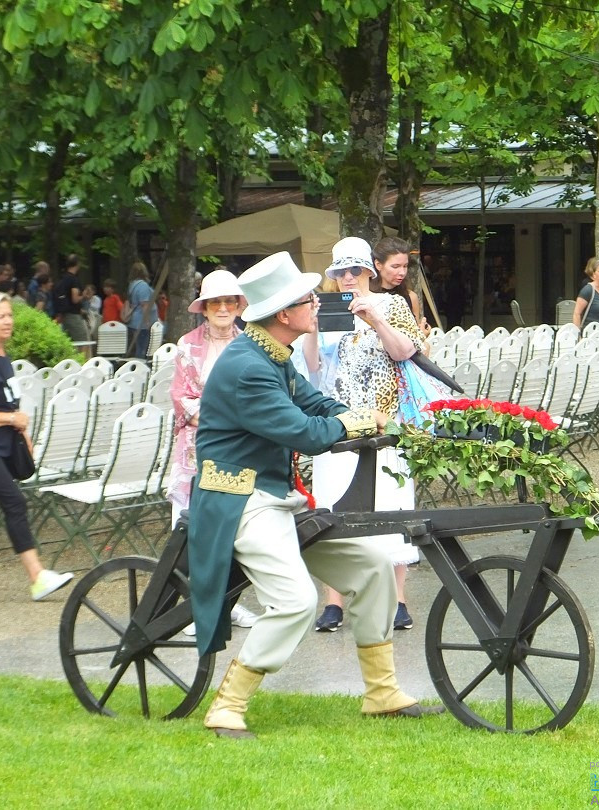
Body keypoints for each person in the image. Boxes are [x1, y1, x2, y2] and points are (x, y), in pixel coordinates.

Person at [188, 250, 442, 738]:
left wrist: (364, 416)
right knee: (295, 601)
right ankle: (227, 706)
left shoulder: (271, 356)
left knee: (371, 569)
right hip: (239, 499)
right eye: (308, 299)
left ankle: (382, 692)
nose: (316, 304)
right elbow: (302, 431)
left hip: (276, 497)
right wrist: (355, 419)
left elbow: (318, 403)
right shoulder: (249, 367)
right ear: (284, 315)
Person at [297, 237, 439, 633]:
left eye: (354, 270)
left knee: (391, 506)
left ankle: (397, 601)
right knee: (333, 507)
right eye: (339, 272)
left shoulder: (392, 304)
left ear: (369, 273)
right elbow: (311, 368)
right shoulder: (325, 309)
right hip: (339, 422)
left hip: (384, 421)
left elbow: (406, 352)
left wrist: (374, 318)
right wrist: (313, 325)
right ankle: (334, 602)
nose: (346, 278)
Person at [168, 269, 258, 636]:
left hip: (239, 450)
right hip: (197, 452)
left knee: (235, 528)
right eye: (215, 302)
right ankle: (192, 608)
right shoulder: (187, 346)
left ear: (239, 306)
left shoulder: (250, 342)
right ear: (204, 308)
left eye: (229, 301)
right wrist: (223, 414)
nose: (223, 308)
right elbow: (181, 398)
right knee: (195, 532)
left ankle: (230, 604)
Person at [0, 290, 74, 602]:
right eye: (1, 317)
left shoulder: (1, 356)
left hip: (2, 446)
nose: (8, 322)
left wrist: (21, 432)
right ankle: (37, 577)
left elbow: (9, 401)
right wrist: (11, 419)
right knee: (14, 503)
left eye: (9, 316)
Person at [369, 236, 430, 338]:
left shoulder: (411, 297)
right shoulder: (366, 296)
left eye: (405, 266)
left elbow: (415, 336)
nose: (402, 272)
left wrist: (422, 335)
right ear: (378, 264)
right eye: (395, 266)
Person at [124, 261, 156, 359]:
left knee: (139, 348)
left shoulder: (132, 285)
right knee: (142, 349)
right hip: (141, 324)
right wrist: (147, 321)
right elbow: (145, 305)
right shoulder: (143, 286)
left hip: (134, 321)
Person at [53, 254, 88, 342]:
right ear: (77, 264)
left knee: (70, 342)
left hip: (64, 315)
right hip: (73, 316)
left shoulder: (63, 279)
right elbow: (75, 299)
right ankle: (83, 356)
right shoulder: (73, 280)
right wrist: (83, 296)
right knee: (83, 340)